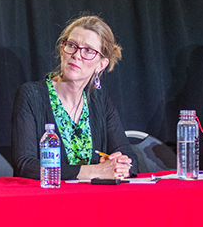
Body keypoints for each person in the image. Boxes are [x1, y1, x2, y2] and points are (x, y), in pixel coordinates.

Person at [11, 15, 137, 180]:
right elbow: (25, 165)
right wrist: (94, 171)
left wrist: (121, 166)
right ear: (62, 49)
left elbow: (129, 157)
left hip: (94, 200)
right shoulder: (31, 95)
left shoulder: (99, 100)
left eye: (88, 51)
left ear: (101, 64)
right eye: (72, 45)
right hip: (48, 200)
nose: (77, 55)